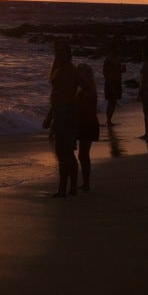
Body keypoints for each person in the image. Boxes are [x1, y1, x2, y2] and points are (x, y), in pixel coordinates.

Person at [43, 40, 88, 197]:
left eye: (61, 50)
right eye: (56, 50)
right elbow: (55, 95)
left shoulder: (71, 69)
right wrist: (49, 117)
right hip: (58, 112)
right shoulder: (59, 68)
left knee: (65, 152)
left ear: (68, 52)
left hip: (67, 113)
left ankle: (68, 188)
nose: (58, 53)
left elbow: (86, 87)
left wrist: (73, 101)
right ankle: (67, 188)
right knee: (62, 152)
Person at [75, 63, 100, 191]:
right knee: (83, 154)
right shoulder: (86, 90)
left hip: (87, 124)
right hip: (86, 123)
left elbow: (87, 110)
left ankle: (86, 183)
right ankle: (86, 183)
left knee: (83, 154)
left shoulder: (89, 91)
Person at [102, 38, 125, 126]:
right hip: (111, 82)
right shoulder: (108, 59)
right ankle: (108, 120)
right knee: (111, 101)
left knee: (113, 102)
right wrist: (110, 80)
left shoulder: (118, 58)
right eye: (116, 49)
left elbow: (121, 70)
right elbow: (104, 72)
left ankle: (109, 120)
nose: (118, 50)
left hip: (117, 82)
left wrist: (121, 69)